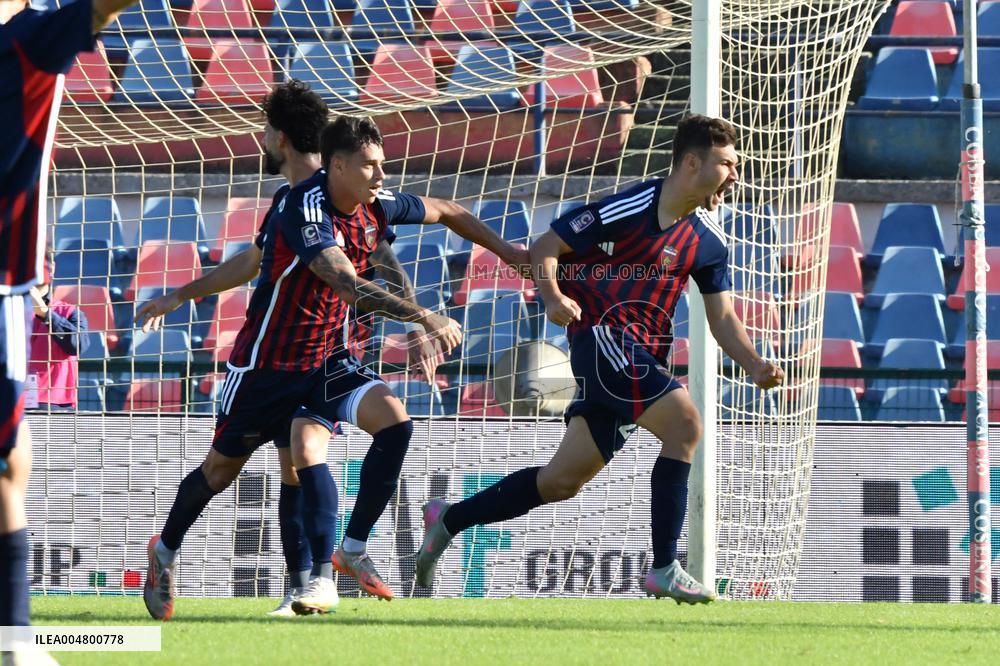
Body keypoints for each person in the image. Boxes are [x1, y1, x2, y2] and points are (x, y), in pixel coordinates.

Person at [136, 92, 527, 620]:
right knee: (220, 472)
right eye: (371, 165)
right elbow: (341, 281)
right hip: (266, 367)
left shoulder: (375, 205)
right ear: (338, 164)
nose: (382, 175)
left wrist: (516, 256)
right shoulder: (302, 207)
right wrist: (424, 317)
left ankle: (341, 559)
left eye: (383, 165)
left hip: (326, 360)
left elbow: (449, 210)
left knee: (391, 423)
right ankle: (165, 551)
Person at [414, 115, 785, 604]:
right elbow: (548, 245)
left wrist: (754, 362)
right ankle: (665, 568)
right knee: (686, 425)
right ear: (692, 162)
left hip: (642, 358)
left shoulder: (708, 241)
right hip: (604, 341)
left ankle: (450, 519)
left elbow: (723, 319)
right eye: (727, 163)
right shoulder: (630, 206)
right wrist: (549, 297)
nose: (735, 174)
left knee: (560, 480)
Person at [0, 0, 141, 662]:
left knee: (12, 456)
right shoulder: (27, 39)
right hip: (1, 280)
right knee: (9, 461)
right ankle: (19, 639)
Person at [27, 252, 90, 412]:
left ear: (52, 267)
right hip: (10, 399)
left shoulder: (70, 312)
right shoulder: (6, 311)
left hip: (55, 405)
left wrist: (45, 314)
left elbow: (78, 345)